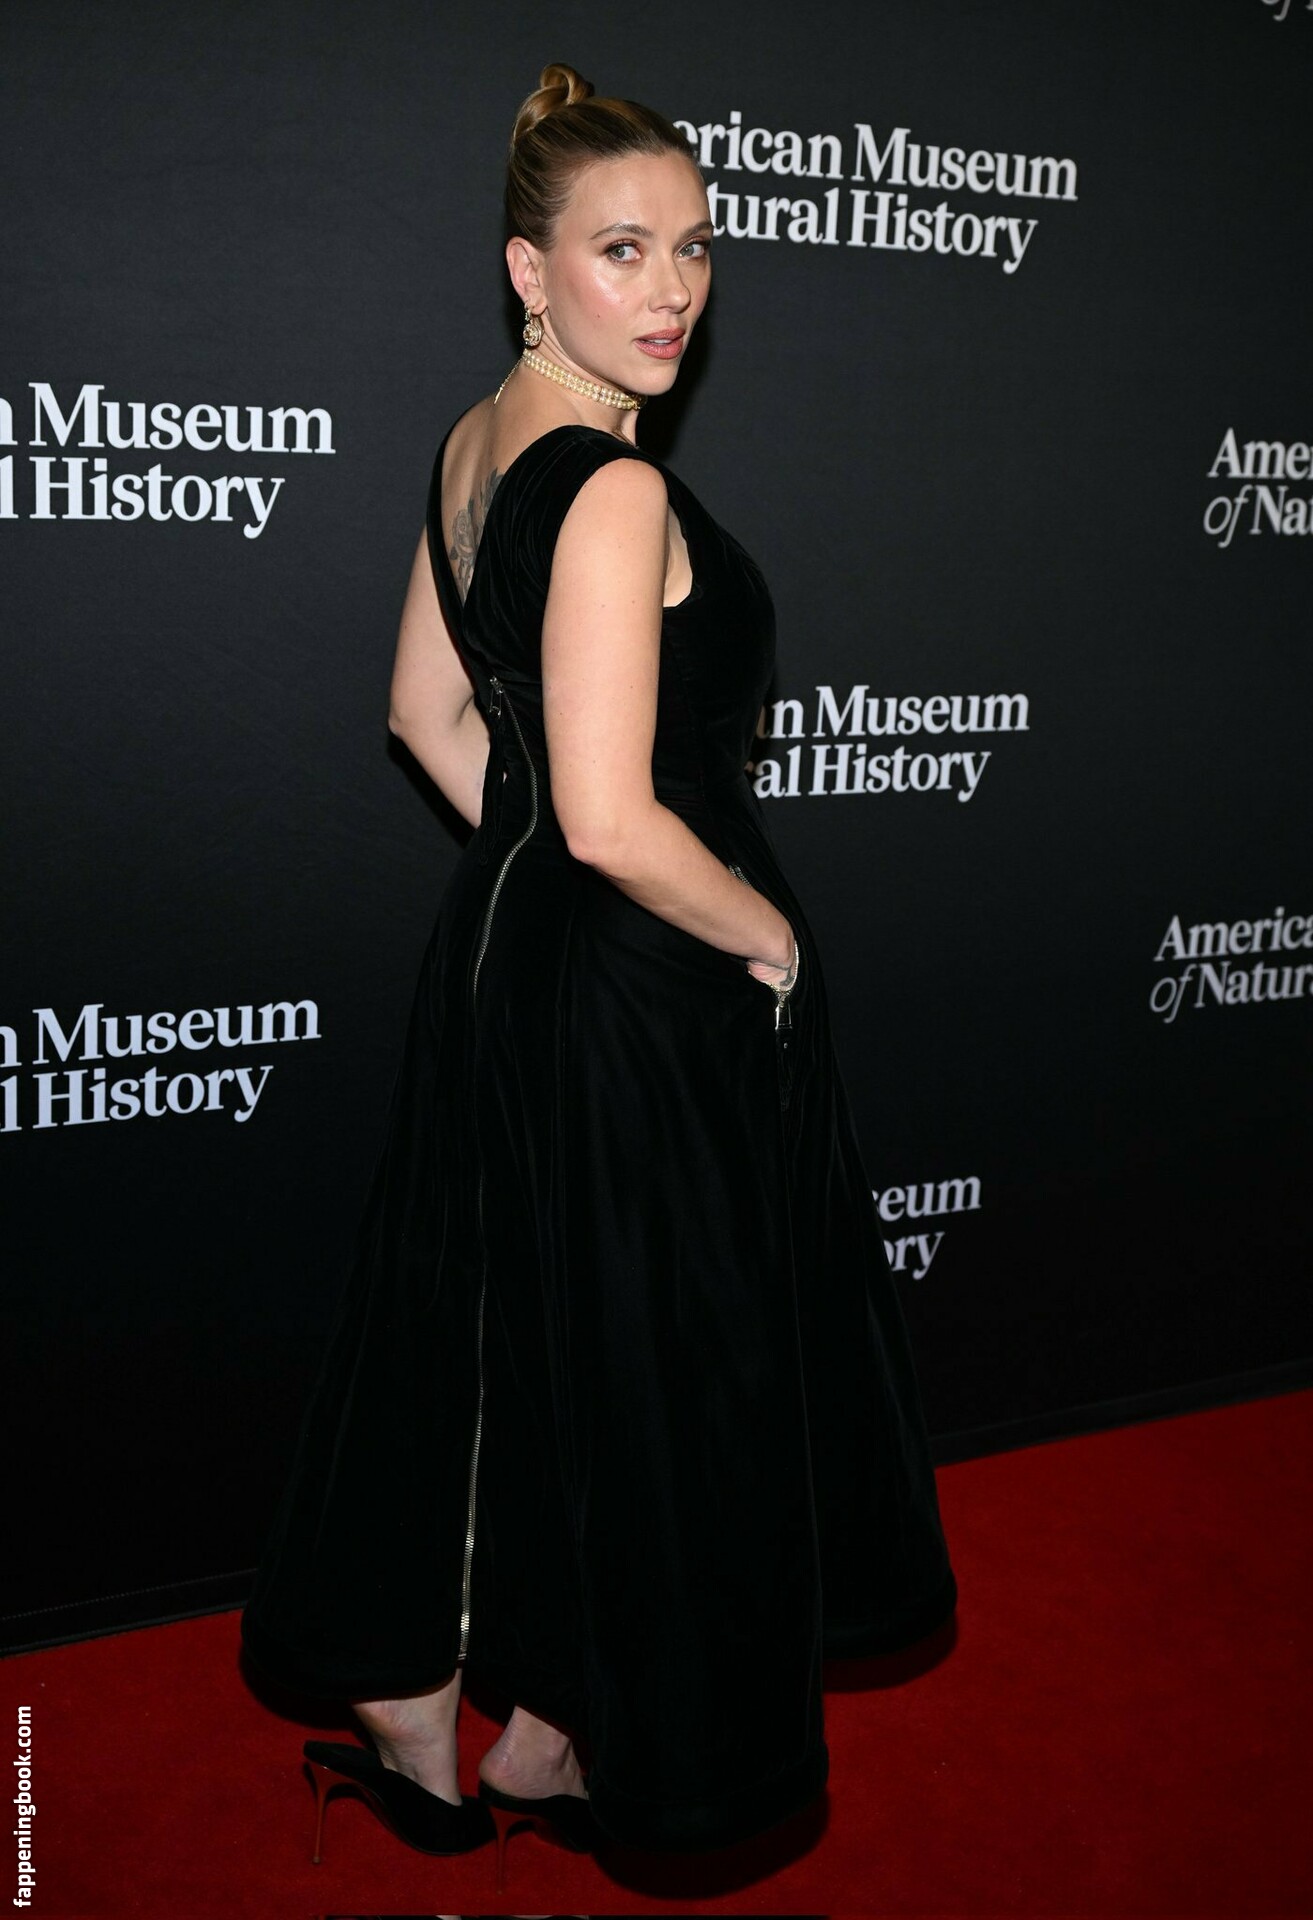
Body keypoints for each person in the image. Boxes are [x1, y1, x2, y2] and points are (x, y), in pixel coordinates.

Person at [240, 61, 957, 1888]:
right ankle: (590, 1732)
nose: (671, 288)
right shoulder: (615, 489)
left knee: (513, 1334)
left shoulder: (471, 447)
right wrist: (765, 936)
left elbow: (425, 718)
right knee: (661, 1365)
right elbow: (623, 818)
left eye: (693, 248)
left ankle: (475, 1716)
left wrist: (531, 865)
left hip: (503, 964)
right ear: (528, 267)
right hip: (641, 992)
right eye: (621, 249)